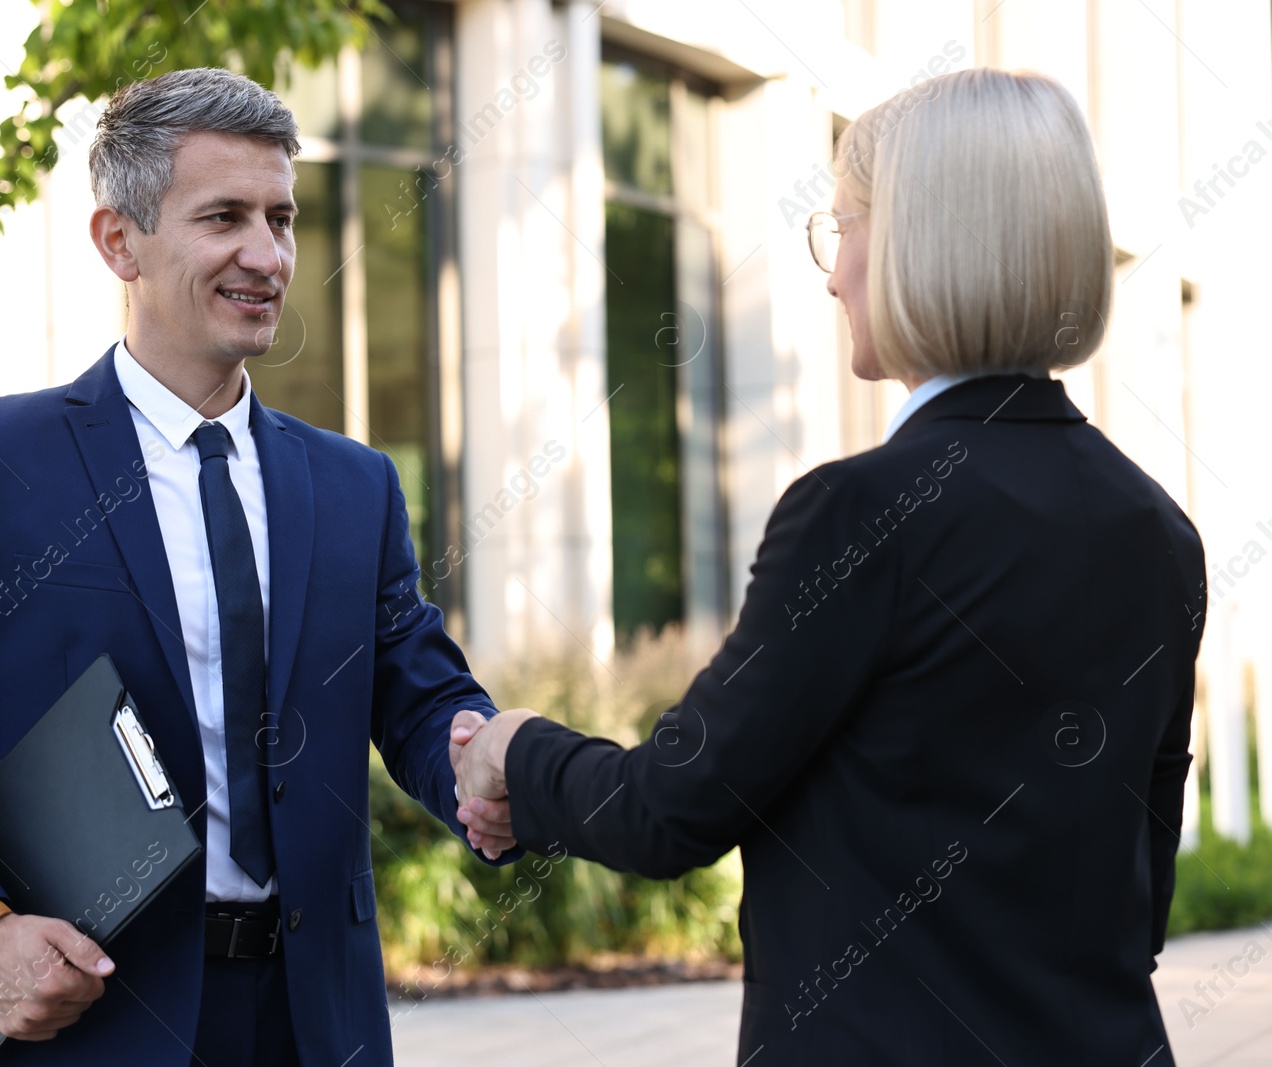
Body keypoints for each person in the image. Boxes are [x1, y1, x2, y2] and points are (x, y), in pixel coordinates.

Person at [451, 67, 1206, 1065]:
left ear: (913, 243)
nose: (831, 271)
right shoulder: (1160, 531)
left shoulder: (858, 513)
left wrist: (514, 750)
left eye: (842, 227)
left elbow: (674, 808)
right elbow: (1139, 895)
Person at [0, 66, 513, 1067]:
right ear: (117, 240)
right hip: (66, 1026)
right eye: (223, 217)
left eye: (281, 218)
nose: (265, 255)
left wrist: (491, 766)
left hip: (311, 1025)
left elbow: (419, 701)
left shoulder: (354, 486)